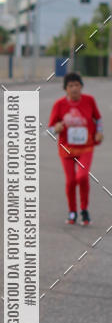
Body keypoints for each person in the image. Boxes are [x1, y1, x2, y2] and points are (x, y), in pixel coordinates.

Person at [48, 72, 103, 225]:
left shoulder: (89, 101)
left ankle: (84, 210)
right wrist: (56, 128)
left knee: (82, 177)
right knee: (71, 181)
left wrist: (99, 132)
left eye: (77, 85)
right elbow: (50, 129)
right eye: (70, 86)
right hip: (66, 149)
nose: (74, 89)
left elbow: (98, 118)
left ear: (81, 87)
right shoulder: (59, 105)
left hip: (86, 147)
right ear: (65, 89)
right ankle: (72, 212)